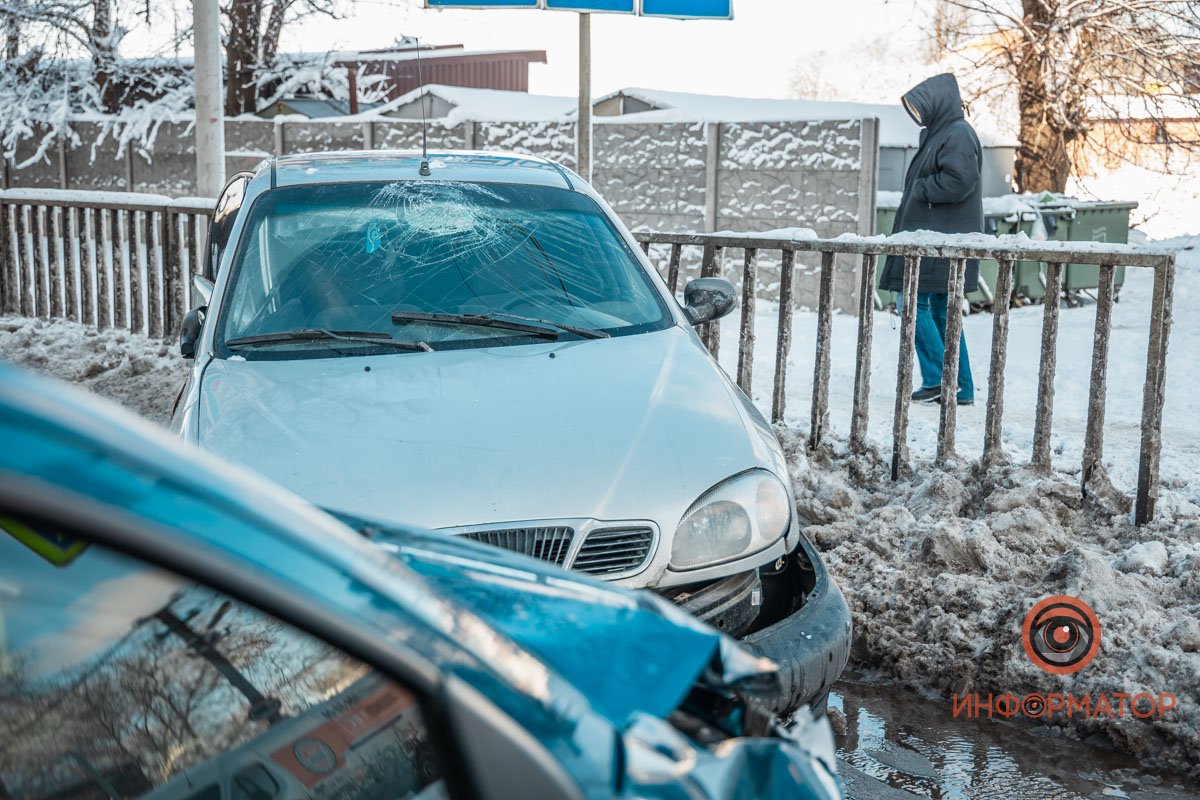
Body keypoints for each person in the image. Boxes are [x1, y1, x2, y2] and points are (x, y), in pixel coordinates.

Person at [879, 73, 983, 406]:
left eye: (921, 107)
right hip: (938, 239)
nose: (918, 114)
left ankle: (941, 380)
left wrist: (919, 190)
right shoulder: (944, 134)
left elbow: (960, 181)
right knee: (942, 312)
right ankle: (961, 387)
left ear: (937, 103)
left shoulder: (957, 134)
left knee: (910, 303)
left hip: (939, 241)